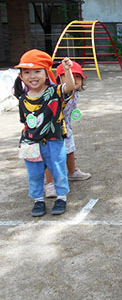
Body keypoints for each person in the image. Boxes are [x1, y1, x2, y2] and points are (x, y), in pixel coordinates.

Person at [13, 50, 75, 216]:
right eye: (27, 72)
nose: (32, 76)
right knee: (34, 173)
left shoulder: (55, 92)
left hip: (54, 140)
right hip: (31, 143)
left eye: (37, 71)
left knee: (58, 169)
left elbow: (70, 87)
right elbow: (25, 122)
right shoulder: (22, 99)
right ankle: (38, 200)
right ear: (21, 76)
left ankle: (61, 197)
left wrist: (67, 70)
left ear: (46, 73)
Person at [44, 61, 91, 198]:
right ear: (60, 80)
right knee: (51, 157)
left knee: (70, 151)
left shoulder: (76, 94)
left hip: (65, 129)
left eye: (78, 76)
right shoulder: (59, 94)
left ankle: (72, 172)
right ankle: (50, 184)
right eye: (70, 76)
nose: (75, 79)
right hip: (51, 131)